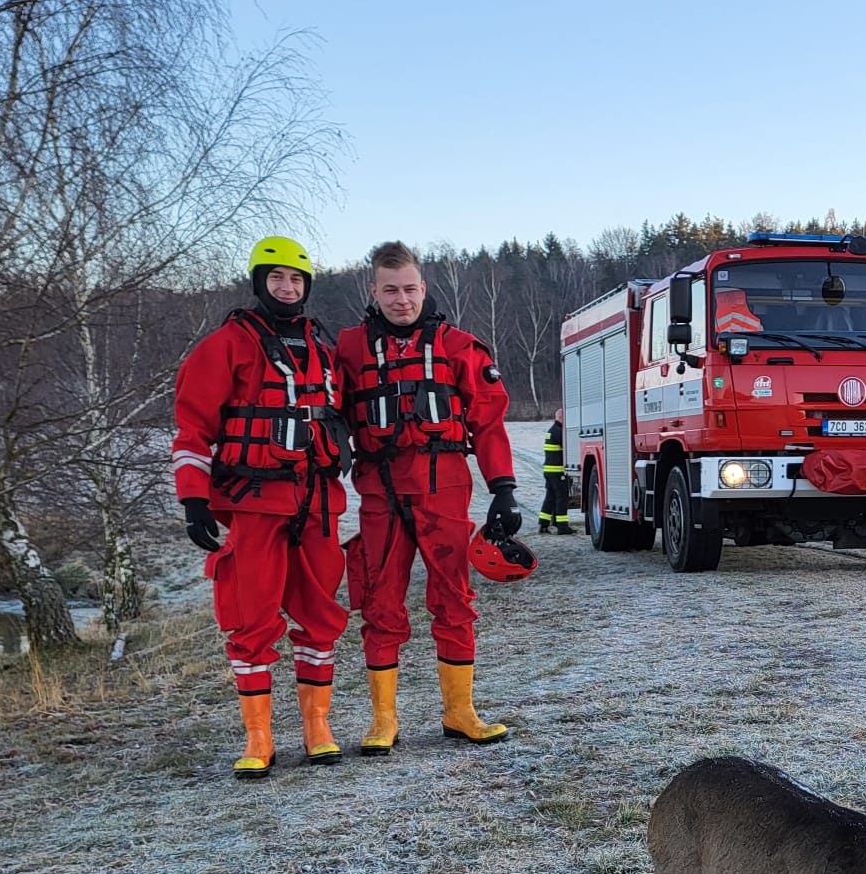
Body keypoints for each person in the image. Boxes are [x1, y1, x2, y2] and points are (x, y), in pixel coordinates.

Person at [334, 240, 521, 753]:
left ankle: (460, 712)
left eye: (410, 289)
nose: (401, 300)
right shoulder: (348, 350)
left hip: (443, 483)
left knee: (454, 600)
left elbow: (488, 423)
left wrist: (503, 489)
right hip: (380, 490)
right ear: (374, 291)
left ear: (424, 288)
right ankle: (383, 719)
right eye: (390, 290)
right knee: (380, 603)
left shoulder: (459, 346)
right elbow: (319, 410)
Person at [172, 235, 348, 778]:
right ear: (257, 283)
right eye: (275, 278)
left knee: (320, 614)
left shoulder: (324, 347)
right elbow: (192, 427)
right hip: (254, 502)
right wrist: (193, 499)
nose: (287, 287)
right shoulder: (226, 343)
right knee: (252, 617)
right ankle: (259, 738)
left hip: (316, 500)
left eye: (296, 279)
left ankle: (318, 728)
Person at [538, 406, 570, 533]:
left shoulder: (551, 430)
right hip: (557, 472)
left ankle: (543, 524)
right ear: (561, 417)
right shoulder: (559, 432)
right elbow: (566, 447)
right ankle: (562, 526)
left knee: (550, 497)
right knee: (562, 497)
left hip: (549, 472)